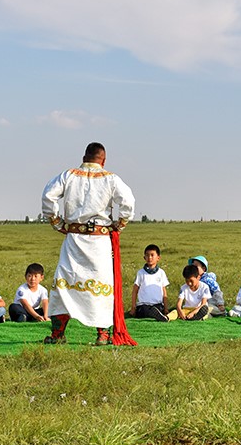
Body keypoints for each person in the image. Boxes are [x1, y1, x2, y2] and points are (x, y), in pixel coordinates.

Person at [41, 142, 136, 346]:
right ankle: (102, 335)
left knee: (64, 285)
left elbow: (48, 196)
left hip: (74, 239)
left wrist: (57, 222)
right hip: (100, 241)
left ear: (84, 157)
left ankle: (58, 334)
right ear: (103, 160)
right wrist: (119, 224)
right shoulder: (111, 178)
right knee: (101, 286)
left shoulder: (68, 175)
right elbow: (128, 202)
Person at [130, 244, 171, 322]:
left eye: (152, 255)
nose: (149, 258)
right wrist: (133, 307)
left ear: (158, 258)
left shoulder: (161, 273)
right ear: (144, 257)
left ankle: (157, 314)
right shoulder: (141, 273)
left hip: (157, 304)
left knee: (158, 309)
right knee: (144, 311)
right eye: (147, 255)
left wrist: (166, 308)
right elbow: (135, 290)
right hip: (144, 305)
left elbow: (164, 291)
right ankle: (155, 315)